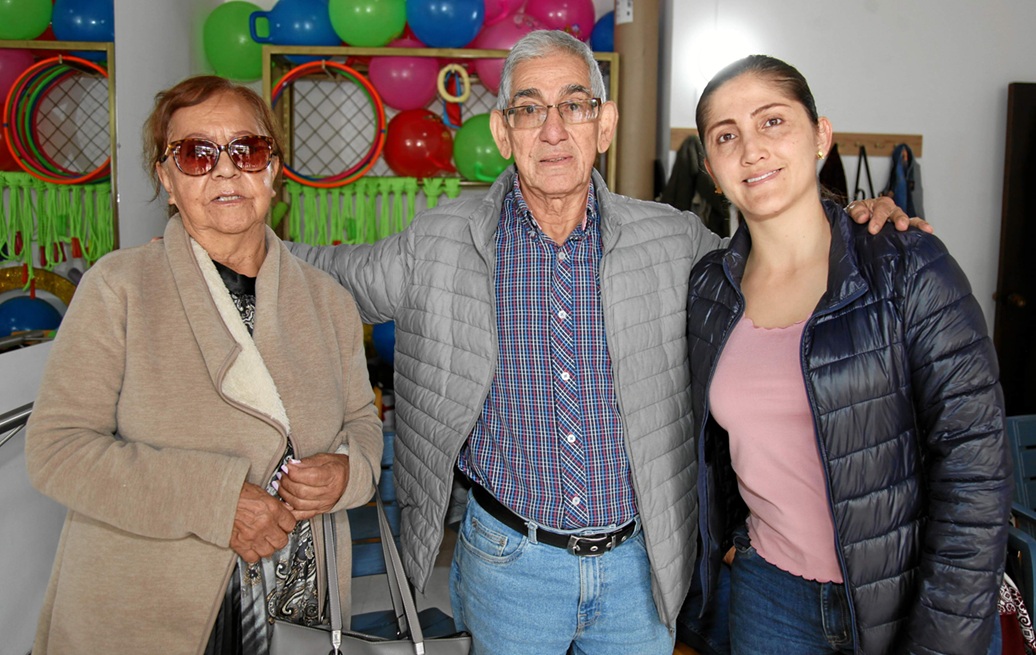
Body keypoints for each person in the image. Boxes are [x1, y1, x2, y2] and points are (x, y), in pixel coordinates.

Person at [287, 30, 916, 654]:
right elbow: (324, 282)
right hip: (506, 566)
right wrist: (231, 231)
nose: (554, 129)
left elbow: (776, 267)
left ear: (604, 124)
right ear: (504, 133)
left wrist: (852, 225)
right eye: (529, 109)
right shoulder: (438, 243)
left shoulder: (674, 241)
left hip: (638, 571)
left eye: (575, 104)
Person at [24, 76, 383, 655]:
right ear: (167, 179)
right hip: (150, 597)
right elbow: (57, 451)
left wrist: (349, 472)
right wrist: (218, 501)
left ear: (273, 170)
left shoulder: (327, 299)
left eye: (247, 150)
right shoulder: (119, 288)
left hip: (295, 595)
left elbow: (363, 424)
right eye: (196, 153)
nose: (225, 170)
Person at [686, 55, 1011, 654]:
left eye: (773, 121)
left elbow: (977, 467)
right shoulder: (709, 286)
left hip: (909, 598)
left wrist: (945, 636)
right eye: (726, 136)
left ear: (820, 136)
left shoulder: (907, 265)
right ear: (711, 169)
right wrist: (728, 536)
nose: (751, 149)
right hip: (771, 598)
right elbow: (708, 440)